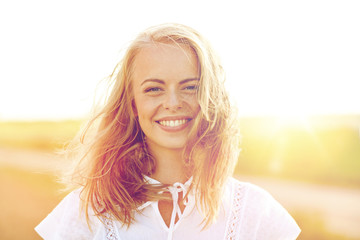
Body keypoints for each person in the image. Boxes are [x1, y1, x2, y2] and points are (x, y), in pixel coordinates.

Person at [35, 23, 301, 240]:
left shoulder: (254, 211)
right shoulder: (88, 210)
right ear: (133, 105)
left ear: (211, 98)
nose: (173, 103)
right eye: (154, 88)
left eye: (190, 87)